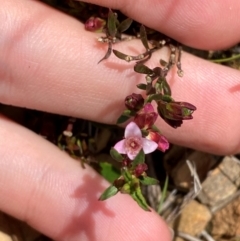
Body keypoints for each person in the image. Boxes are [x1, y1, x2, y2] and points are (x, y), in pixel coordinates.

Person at [0, 0, 240, 240]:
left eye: (133, 145)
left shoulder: (138, 135)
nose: (132, 145)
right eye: (132, 144)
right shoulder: (135, 134)